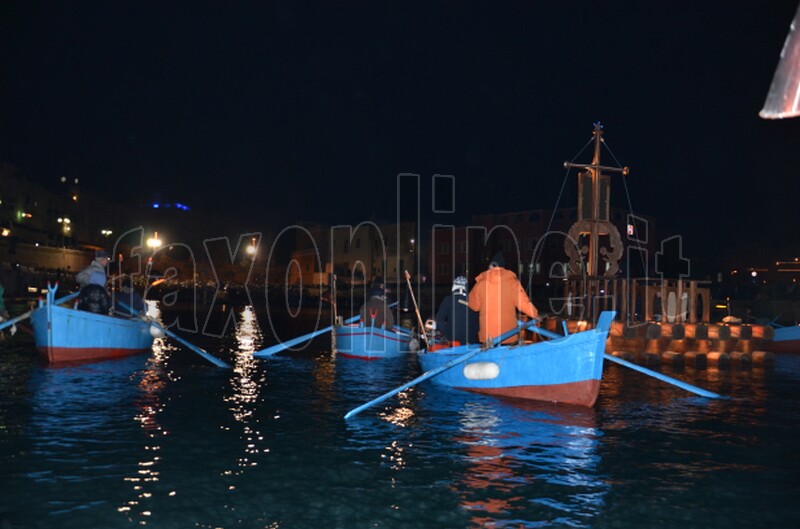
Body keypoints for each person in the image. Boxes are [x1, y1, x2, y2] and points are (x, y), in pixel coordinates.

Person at [468, 252, 538, 344]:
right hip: (508, 335)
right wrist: (535, 314)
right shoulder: (513, 283)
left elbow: (474, 306)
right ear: (503, 267)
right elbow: (523, 303)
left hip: (488, 337)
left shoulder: (480, 284)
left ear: (490, 266)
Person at [435, 275, 478, 345]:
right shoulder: (473, 301)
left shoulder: (448, 300)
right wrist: (472, 337)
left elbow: (439, 320)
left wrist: (448, 335)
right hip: (469, 342)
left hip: (453, 342)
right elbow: (477, 323)